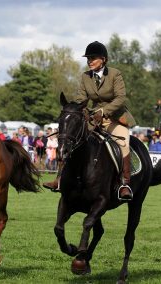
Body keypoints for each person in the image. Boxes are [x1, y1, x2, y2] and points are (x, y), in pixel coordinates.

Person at [43, 41, 136, 201]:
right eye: (88, 58)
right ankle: (59, 179)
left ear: (104, 59)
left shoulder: (115, 74)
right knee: (73, 140)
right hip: (93, 118)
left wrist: (103, 111)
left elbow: (120, 98)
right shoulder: (85, 76)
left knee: (123, 143)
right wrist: (82, 112)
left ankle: (124, 184)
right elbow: (81, 99)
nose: (89, 61)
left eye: (93, 58)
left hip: (114, 118)